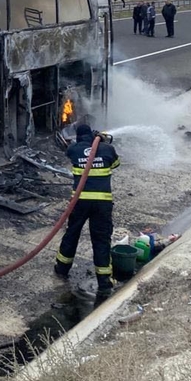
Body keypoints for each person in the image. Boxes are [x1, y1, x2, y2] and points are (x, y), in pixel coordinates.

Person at [54, 124, 119, 298]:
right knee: (101, 239)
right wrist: (102, 142)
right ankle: (104, 280)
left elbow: (70, 152)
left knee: (72, 233)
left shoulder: (74, 149)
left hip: (80, 201)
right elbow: (116, 163)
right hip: (102, 203)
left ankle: (61, 268)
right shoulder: (107, 148)